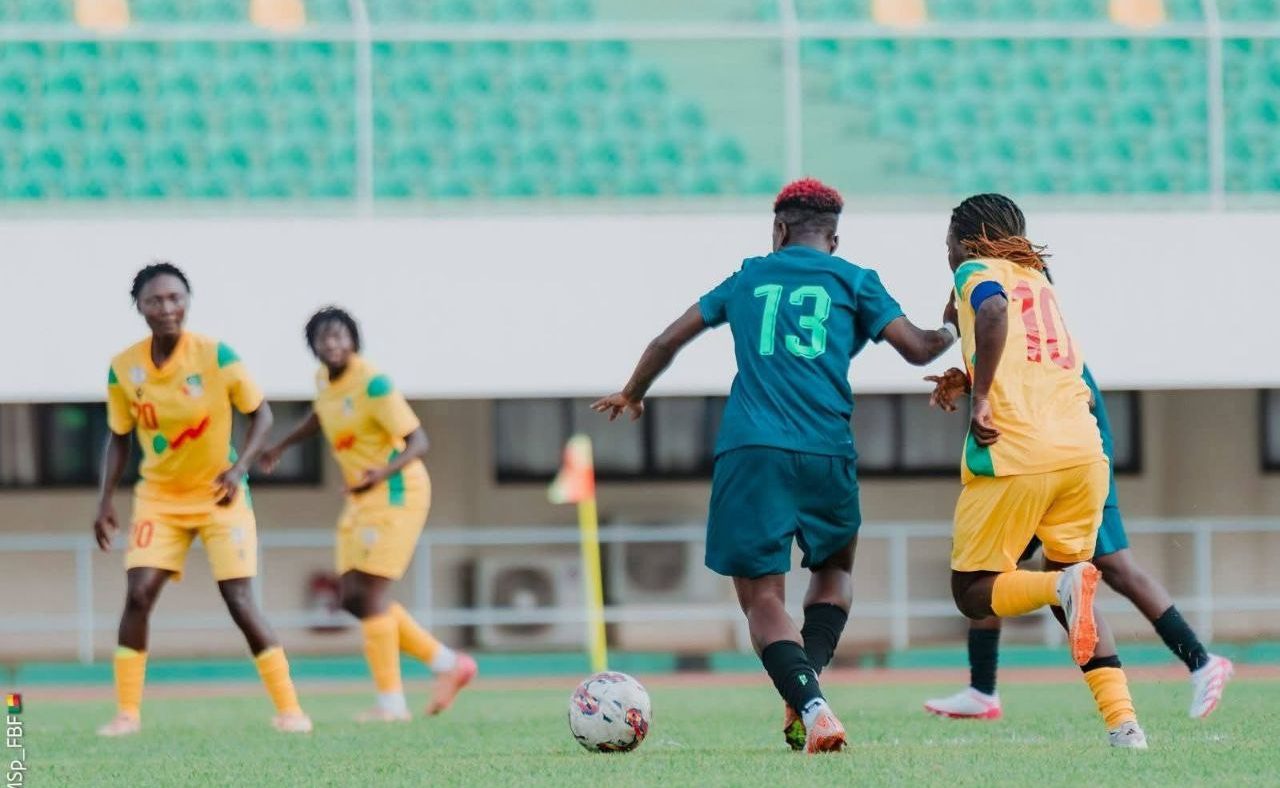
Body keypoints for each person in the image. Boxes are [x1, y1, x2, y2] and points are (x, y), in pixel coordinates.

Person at [593, 178, 958, 753]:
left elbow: (668, 340)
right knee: (834, 574)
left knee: (763, 599)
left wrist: (633, 392)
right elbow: (917, 348)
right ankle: (806, 695)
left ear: (778, 230)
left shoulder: (749, 277)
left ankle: (809, 701)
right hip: (828, 450)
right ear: (833, 238)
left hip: (752, 450)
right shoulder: (855, 280)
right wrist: (953, 326)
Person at [939, 193, 1151, 748]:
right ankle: (1124, 725)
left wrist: (980, 396)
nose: (948, 255)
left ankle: (1059, 584)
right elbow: (1025, 354)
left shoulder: (976, 271)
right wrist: (968, 374)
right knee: (1076, 588)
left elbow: (990, 310)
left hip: (1017, 452)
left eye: (948, 244)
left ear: (965, 241)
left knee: (973, 592)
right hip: (1083, 450)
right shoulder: (1040, 281)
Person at [923, 344, 1232, 721]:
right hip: (1039, 467)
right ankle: (983, 689)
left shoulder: (1042, 335)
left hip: (1071, 468)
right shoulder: (1025, 330)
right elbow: (1017, 384)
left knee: (1114, 567)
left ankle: (1201, 661)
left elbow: (1045, 396)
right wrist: (969, 381)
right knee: (991, 570)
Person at [94, 263, 310, 737]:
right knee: (138, 594)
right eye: (156, 300)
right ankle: (126, 713)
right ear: (140, 307)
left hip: (220, 494)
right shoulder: (123, 367)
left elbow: (262, 415)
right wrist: (105, 500)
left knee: (238, 599)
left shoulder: (216, 356)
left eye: (176, 298)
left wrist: (239, 468)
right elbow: (118, 437)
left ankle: (290, 709)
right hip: (158, 498)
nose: (167, 308)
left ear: (188, 301)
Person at [259, 307, 475, 722]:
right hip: (361, 495)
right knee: (352, 598)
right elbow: (321, 415)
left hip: (395, 489)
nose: (332, 344)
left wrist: (381, 473)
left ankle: (391, 704)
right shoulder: (324, 381)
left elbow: (419, 440)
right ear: (313, 347)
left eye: (340, 336)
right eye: (323, 338)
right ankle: (448, 664)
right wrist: (281, 446)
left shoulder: (374, 384)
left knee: (372, 595)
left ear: (354, 341)